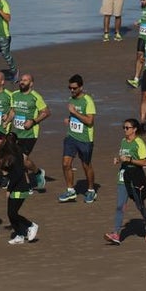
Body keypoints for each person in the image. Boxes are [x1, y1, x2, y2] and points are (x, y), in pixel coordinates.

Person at [104, 119, 146, 245]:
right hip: (122, 177)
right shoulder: (123, 141)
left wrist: (130, 160)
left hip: (135, 177)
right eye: (124, 127)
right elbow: (123, 157)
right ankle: (116, 234)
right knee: (120, 206)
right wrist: (118, 160)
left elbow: (145, 162)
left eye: (127, 128)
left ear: (134, 129)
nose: (125, 130)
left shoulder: (139, 143)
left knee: (139, 205)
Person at [57, 74, 97, 204]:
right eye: (70, 88)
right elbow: (75, 115)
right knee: (65, 164)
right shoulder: (71, 99)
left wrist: (74, 113)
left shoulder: (88, 101)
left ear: (81, 87)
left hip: (85, 139)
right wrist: (70, 119)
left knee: (86, 165)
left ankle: (91, 190)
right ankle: (70, 190)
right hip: (71, 136)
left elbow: (90, 121)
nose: (72, 90)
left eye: (74, 88)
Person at [0, 133, 40, 244]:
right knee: (11, 213)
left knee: (12, 213)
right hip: (17, 186)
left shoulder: (15, 154)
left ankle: (31, 225)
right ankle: (20, 235)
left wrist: (8, 189)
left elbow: (17, 174)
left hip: (19, 188)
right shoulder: (14, 152)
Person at [9, 73, 50, 156]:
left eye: (25, 80)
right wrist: (6, 121)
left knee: (22, 159)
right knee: (13, 158)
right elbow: (13, 111)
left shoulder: (35, 97)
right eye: (21, 80)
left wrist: (33, 121)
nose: (22, 82)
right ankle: (32, 170)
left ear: (31, 84)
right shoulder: (14, 94)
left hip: (29, 134)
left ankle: (36, 170)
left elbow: (46, 112)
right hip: (15, 132)